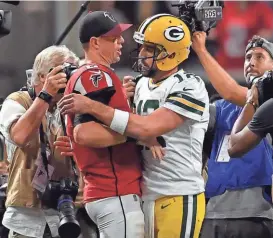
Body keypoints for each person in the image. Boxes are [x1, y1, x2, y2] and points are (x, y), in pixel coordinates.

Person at [58, 13, 209, 238]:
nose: (141, 53)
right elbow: (123, 128)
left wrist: (93, 106)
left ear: (170, 53)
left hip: (178, 192)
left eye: (149, 49)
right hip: (145, 192)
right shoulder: (138, 85)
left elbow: (147, 129)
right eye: (142, 47)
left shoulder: (189, 86)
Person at [57, 11, 146, 238]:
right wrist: (137, 134)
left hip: (105, 192)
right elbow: (84, 134)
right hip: (115, 191)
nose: (122, 42)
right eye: (113, 38)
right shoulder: (95, 73)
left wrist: (123, 99)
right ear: (95, 42)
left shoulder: (96, 74)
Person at [192, 32, 273, 238]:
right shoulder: (218, 108)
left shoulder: (268, 103)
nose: (251, 63)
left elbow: (232, 92)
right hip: (213, 214)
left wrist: (201, 50)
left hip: (259, 214)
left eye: (260, 57)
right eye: (248, 57)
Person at [0, 45, 81, 238]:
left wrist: (78, 148)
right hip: (27, 219)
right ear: (44, 76)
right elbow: (20, 136)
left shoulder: (71, 104)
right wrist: (46, 94)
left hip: (67, 212)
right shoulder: (17, 102)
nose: (68, 79)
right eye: (63, 72)